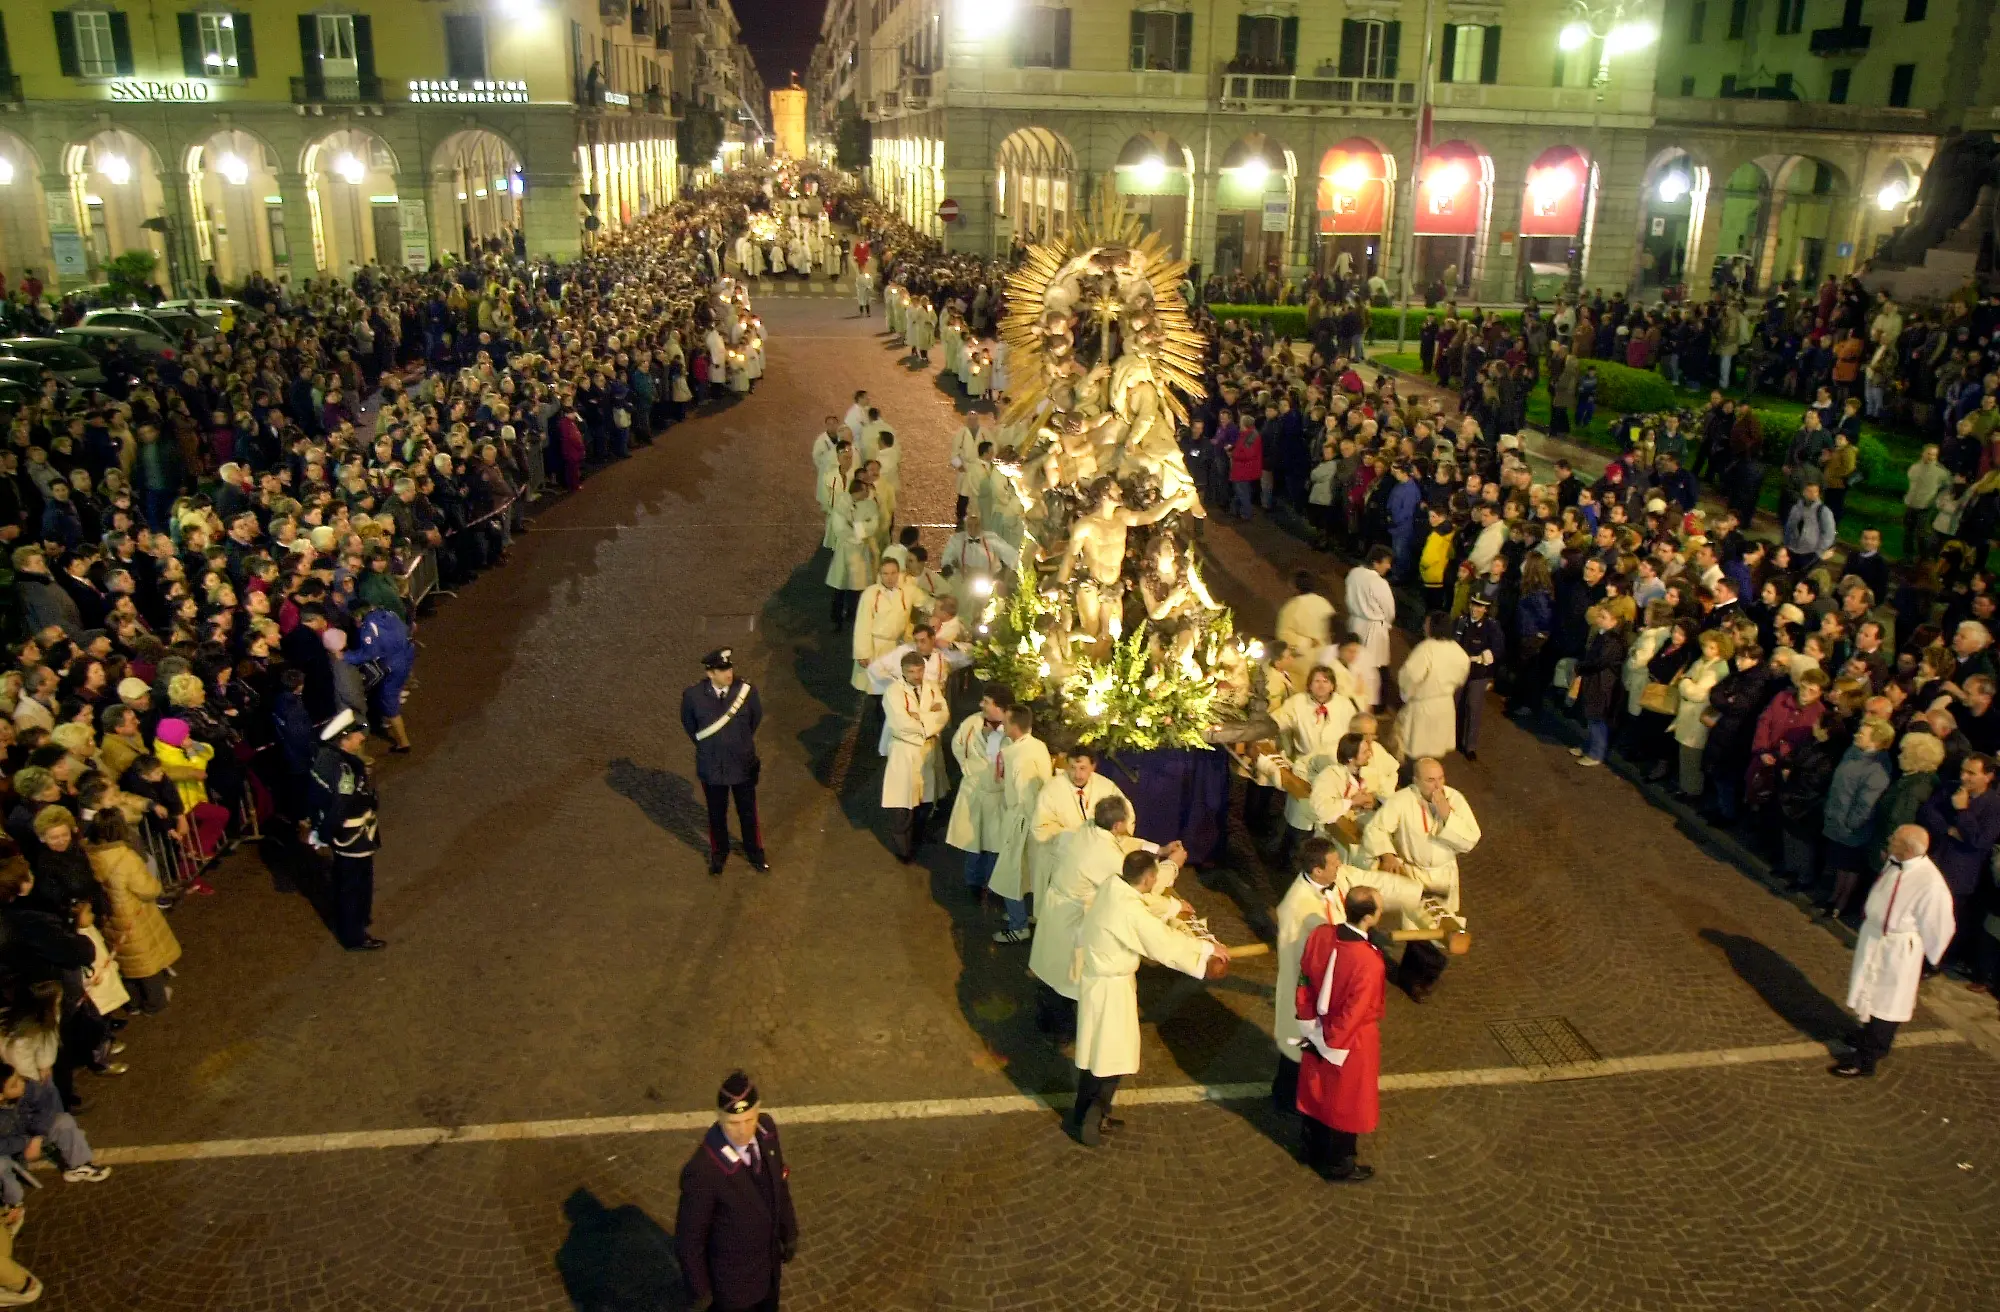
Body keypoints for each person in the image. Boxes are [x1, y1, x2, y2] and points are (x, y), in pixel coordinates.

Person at [1066, 849, 1225, 1146]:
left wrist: (1171, 906)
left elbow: (1144, 906)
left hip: (1097, 983)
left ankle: (1084, 1113)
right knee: (1111, 1059)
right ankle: (1091, 1122)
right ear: (1150, 877)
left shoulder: (1114, 887)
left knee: (1095, 1057)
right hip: (1111, 992)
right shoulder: (1129, 910)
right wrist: (1205, 951)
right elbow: (1161, 943)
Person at [1834, 826, 1955, 1078]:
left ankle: (1868, 1058)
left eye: (1894, 839)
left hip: (1898, 949)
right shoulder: (1896, 862)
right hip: (1876, 939)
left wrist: (1929, 957)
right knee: (1869, 989)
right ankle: (1865, 1034)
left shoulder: (1931, 884)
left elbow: (1940, 924)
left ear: (1909, 850)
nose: (1889, 840)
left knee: (1887, 1000)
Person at [675, 1071, 798, 1312]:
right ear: (720, 1119)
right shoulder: (703, 1170)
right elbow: (689, 1241)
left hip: (768, 1273)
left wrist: (789, 1229)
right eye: (733, 1122)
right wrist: (702, 1293)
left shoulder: (767, 1131)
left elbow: (779, 1185)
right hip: (733, 1290)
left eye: (749, 1119)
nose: (743, 1130)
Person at [1292, 884, 1386, 1182]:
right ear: (1369, 918)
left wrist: (1308, 1021)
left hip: (1316, 1025)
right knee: (1346, 1101)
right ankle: (1338, 1164)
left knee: (1316, 1092)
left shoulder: (1320, 934)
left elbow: (1304, 976)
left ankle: (1310, 1146)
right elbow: (1356, 1010)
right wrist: (1332, 1041)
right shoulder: (1370, 961)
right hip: (1351, 1040)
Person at [1271, 836, 1354, 1112]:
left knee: (1309, 1042)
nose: (1339, 865)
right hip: (1305, 986)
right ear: (1318, 870)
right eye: (1333, 863)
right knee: (1297, 1044)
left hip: (1322, 982)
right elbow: (1314, 949)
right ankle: (1286, 1098)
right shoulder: (1299, 905)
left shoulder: (1326, 886)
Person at [680, 648, 767, 877]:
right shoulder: (693, 696)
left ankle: (755, 852)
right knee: (716, 814)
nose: (728, 673)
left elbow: (754, 719)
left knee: (748, 813)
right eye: (722, 669)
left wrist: (737, 742)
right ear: (710, 673)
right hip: (713, 766)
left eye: (729, 667)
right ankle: (719, 853)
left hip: (741, 764)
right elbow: (691, 727)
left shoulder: (746, 692)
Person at [307, 709, 384, 951]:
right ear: (344, 738)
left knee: (348, 880)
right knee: (355, 883)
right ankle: (354, 934)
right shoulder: (344, 768)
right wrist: (325, 834)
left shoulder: (325, 758)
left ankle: (357, 919)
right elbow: (342, 804)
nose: (361, 738)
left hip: (345, 834)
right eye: (356, 735)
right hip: (353, 836)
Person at [986, 705, 1052, 943]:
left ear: (1013, 725)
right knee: (1029, 872)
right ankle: (1029, 914)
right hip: (1032, 819)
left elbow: (1023, 795)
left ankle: (1018, 925)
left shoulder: (1020, 757)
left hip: (1021, 820)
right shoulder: (1037, 746)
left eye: (1005, 721)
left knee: (1009, 874)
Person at [944, 683, 1012, 899]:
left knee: (994, 846)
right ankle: (973, 883)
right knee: (973, 843)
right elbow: (957, 745)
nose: (981, 704)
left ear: (1000, 707)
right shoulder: (972, 723)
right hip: (973, 790)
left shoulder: (1012, 729)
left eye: (986, 702)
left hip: (998, 796)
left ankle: (993, 886)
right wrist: (968, 770)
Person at [881, 651, 949, 862]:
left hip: (927, 752)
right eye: (911, 672)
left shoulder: (932, 687)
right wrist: (930, 719)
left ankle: (918, 838)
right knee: (903, 804)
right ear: (903, 671)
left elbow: (944, 715)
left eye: (919, 670)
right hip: (905, 753)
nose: (916, 676)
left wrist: (919, 718)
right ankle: (904, 849)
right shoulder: (893, 692)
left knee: (925, 801)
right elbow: (900, 724)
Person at [1396, 612, 1472, 761]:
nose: (1424, 626)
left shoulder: (1426, 649)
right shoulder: (1458, 651)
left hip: (1423, 707)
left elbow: (1411, 675)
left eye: (1427, 623)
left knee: (1418, 751)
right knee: (1435, 752)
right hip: (1445, 706)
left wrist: (1406, 694)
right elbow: (1462, 675)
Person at [1343, 546, 1397, 708]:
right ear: (1375, 563)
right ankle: (1375, 705)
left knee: (1353, 663)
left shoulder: (1354, 573)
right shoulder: (1378, 582)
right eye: (1386, 563)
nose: (1388, 567)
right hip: (1373, 628)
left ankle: (1352, 699)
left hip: (1355, 623)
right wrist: (1386, 623)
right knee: (1375, 667)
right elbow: (1389, 610)